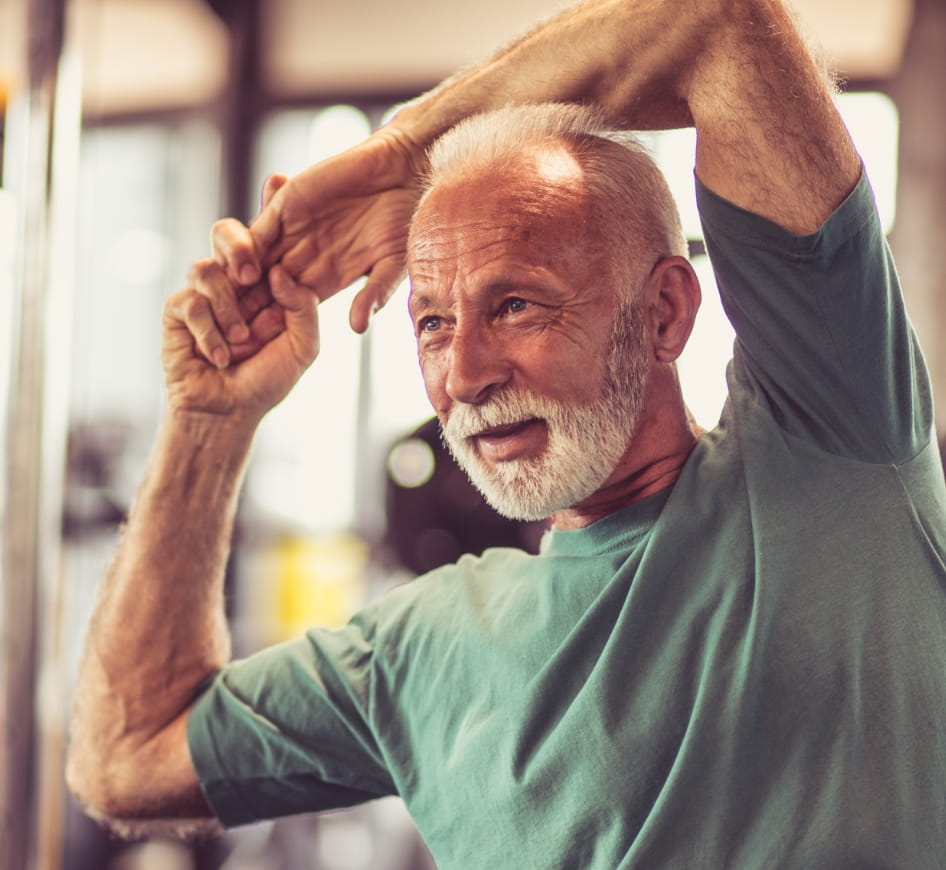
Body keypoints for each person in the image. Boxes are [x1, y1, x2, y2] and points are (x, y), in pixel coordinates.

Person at [66, 0, 946, 865]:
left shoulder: (830, 455)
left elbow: (719, 28)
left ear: (666, 313)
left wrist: (405, 151)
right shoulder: (422, 654)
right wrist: (210, 420)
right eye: (434, 323)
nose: (463, 376)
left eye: (516, 304)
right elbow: (127, 755)